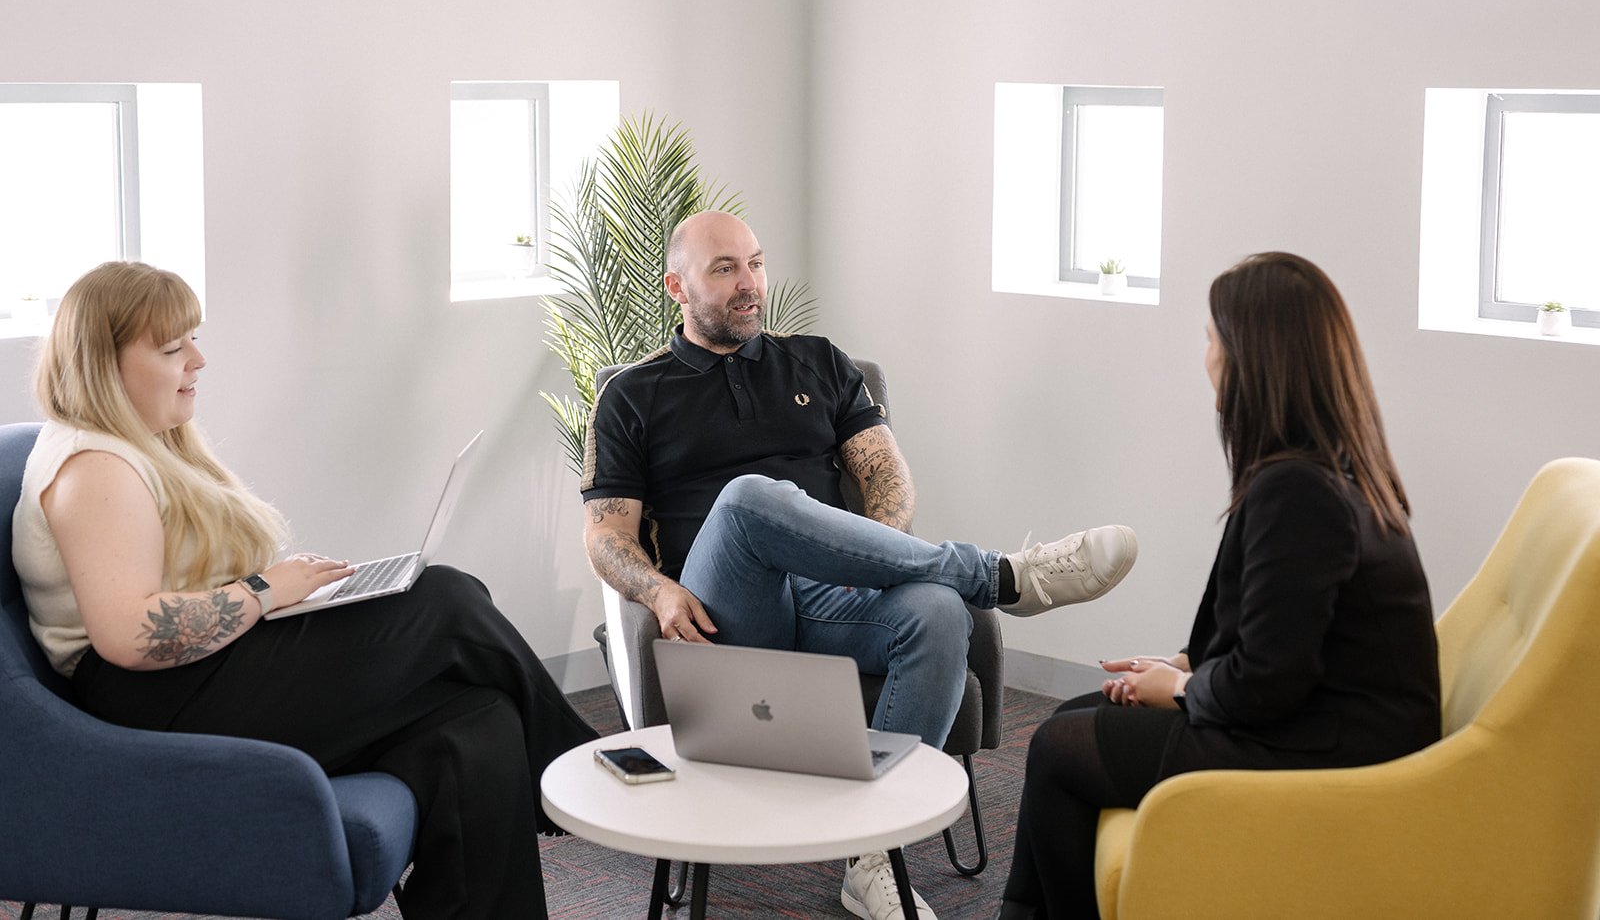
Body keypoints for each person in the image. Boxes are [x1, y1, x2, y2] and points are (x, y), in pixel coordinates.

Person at [580, 210, 1140, 920]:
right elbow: (606, 535)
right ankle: (999, 577)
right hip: (722, 612)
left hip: (834, 595)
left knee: (938, 613)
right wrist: (657, 590)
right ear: (676, 287)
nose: (750, 283)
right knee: (752, 499)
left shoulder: (818, 361)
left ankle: (872, 854)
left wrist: (870, 560)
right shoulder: (633, 393)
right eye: (725, 269)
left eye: (754, 262)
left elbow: (888, 478)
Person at [11, 261, 598, 920]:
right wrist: (263, 590)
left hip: (199, 672)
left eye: (193, 339)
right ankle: (589, 771)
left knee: (475, 722)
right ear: (103, 364)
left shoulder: (139, 445)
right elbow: (128, 634)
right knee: (445, 599)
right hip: (149, 696)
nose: (198, 360)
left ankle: (572, 776)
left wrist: (287, 597)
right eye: (173, 348)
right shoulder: (94, 467)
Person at [997, 252, 1442, 919]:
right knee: (1069, 717)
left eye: (1212, 338)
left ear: (1250, 360)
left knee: (1058, 748)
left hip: (1330, 747)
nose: (1204, 356)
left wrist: (1178, 689)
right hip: (1323, 718)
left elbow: (1268, 681)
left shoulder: (1298, 490)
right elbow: (1284, 632)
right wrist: (1181, 664)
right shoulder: (1328, 469)